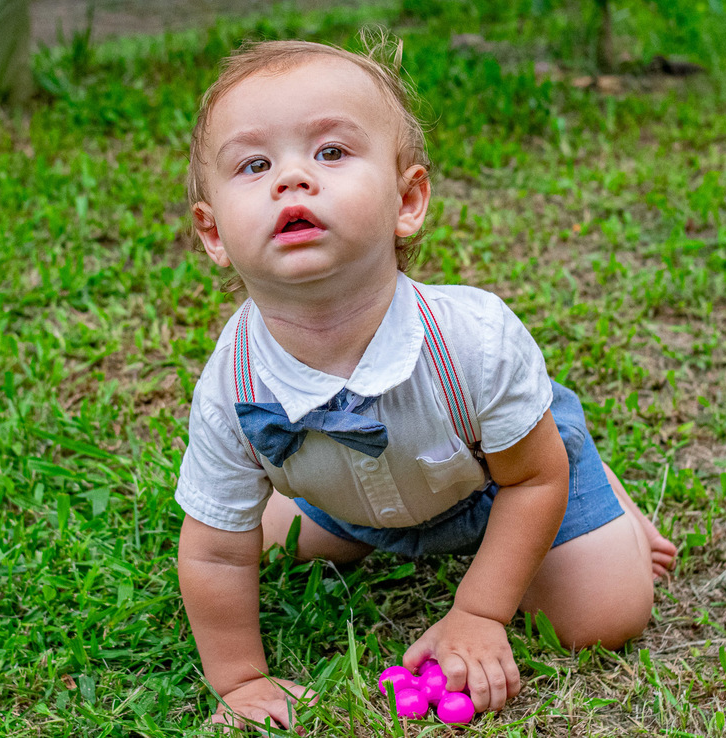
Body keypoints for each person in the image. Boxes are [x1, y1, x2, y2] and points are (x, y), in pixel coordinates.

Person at [174, 36, 677, 732]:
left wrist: (476, 613)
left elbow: (533, 481)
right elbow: (211, 549)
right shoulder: (231, 382)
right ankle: (378, 532)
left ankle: (599, 482)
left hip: (508, 481)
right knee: (247, 540)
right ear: (213, 234)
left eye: (330, 153)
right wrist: (240, 681)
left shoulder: (473, 339)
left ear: (408, 199)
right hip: (355, 500)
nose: (291, 179)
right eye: (255, 164)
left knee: (604, 614)